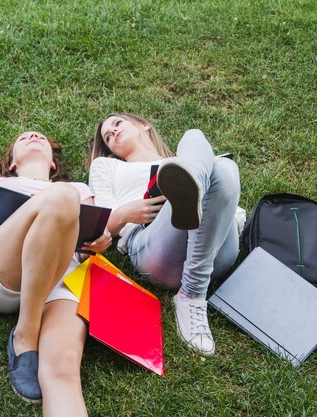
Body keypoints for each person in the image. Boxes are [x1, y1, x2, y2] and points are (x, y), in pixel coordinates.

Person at [0, 131, 112, 416]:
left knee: (63, 367)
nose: (32, 136)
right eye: (23, 138)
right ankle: (25, 335)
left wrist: (100, 239)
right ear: (12, 163)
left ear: (53, 164)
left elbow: (84, 247)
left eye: (40, 137)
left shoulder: (79, 188)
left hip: (62, 272)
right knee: (63, 196)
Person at [87, 112, 242, 356]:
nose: (113, 133)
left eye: (118, 124)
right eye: (107, 137)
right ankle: (192, 294)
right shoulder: (107, 166)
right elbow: (102, 224)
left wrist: (213, 214)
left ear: (144, 125)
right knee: (209, 169)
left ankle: (193, 192)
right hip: (154, 244)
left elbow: (238, 215)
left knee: (210, 154)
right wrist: (128, 212)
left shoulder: (187, 159)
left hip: (216, 249)